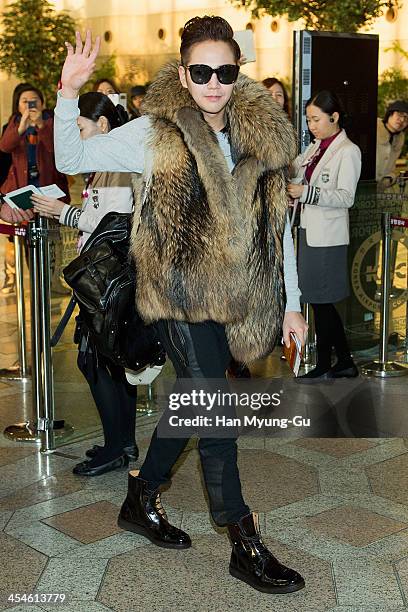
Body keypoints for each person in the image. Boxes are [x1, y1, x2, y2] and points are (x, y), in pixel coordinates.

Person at [55, 18, 308, 594]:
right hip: (174, 295)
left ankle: (141, 495)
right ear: (183, 72)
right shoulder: (154, 132)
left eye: (224, 71)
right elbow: (71, 159)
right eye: (201, 71)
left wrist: (292, 303)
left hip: (235, 297)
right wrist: (69, 94)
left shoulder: (260, 139)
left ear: (237, 69)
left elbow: (279, 230)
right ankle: (244, 540)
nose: (213, 83)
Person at [31, 91, 138, 476]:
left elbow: (114, 223)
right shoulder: (108, 162)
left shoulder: (120, 162)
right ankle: (121, 441)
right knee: (111, 362)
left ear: (103, 126)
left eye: (80, 129)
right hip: (103, 278)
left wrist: (64, 212)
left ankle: (117, 446)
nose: (76, 138)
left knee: (95, 361)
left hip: (110, 281)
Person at [288, 90, 361, 379]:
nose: (311, 126)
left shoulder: (348, 151)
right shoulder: (315, 148)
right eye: (308, 120)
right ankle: (340, 361)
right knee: (318, 300)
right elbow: (295, 173)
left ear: (335, 117)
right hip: (309, 231)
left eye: (316, 119)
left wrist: (305, 193)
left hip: (328, 237)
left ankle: (333, 362)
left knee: (322, 300)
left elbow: (346, 197)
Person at [0, 84, 70, 294]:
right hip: (22, 191)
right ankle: (37, 283)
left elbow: (56, 149)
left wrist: (40, 124)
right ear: (17, 105)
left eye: (34, 101)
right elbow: (4, 146)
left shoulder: (50, 122)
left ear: (43, 103)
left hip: (48, 189)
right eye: (25, 101)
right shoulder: (13, 124)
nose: (30, 105)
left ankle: (53, 280)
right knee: (27, 238)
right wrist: (21, 126)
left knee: (51, 236)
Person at [376, 100, 408, 185]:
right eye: (399, 114)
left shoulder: (399, 140)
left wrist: (389, 178)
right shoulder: (372, 127)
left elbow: (392, 168)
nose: (402, 120)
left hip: (378, 192)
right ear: (390, 114)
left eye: (406, 118)